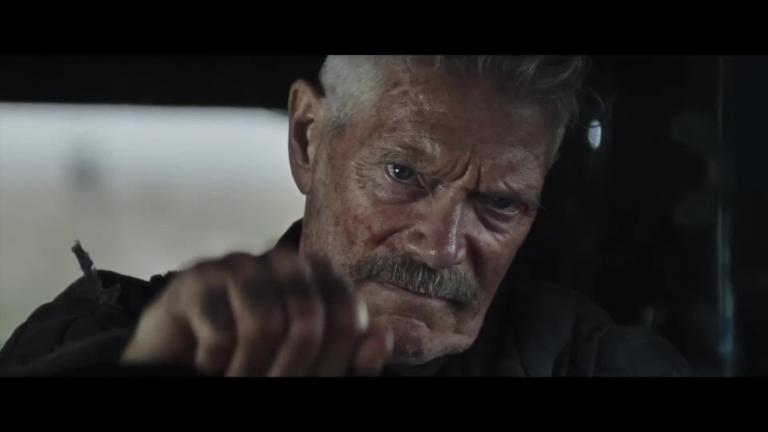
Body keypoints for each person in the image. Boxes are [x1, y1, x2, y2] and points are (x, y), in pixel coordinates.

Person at [0, 55, 691, 377]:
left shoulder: (591, 362)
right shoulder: (119, 336)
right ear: (309, 140)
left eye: (500, 204)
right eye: (403, 175)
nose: (442, 248)